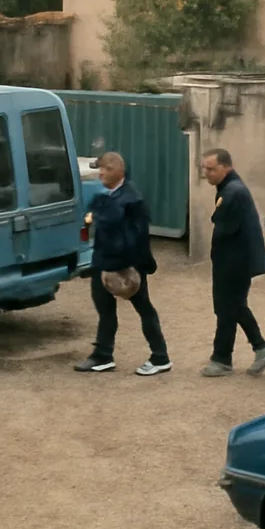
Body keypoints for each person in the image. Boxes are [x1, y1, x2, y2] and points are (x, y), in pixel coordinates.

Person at [74, 152, 172, 376]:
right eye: (100, 169)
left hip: (126, 267)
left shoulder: (131, 199)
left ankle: (160, 357)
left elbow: (137, 237)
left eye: (106, 169)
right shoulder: (106, 195)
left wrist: (134, 266)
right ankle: (103, 355)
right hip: (103, 264)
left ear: (119, 171)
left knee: (144, 308)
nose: (101, 173)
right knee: (104, 309)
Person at [200, 149, 265, 377]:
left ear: (226, 167)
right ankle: (252, 350)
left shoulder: (232, 192)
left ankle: (224, 358)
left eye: (211, 169)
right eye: (205, 168)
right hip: (234, 259)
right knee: (232, 307)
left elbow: (224, 227)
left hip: (235, 261)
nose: (207, 173)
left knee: (228, 307)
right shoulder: (230, 188)